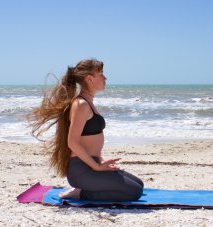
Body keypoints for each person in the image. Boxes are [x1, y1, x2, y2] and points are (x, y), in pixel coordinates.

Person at [29, 59, 144, 201]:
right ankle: (80, 193)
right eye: (101, 74)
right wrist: (96, 166)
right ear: (90, 79)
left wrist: (102, 161)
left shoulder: (88, 103)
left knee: (139, 184)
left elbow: (89, 142)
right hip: (82, 170)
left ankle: (84, 188)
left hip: (92, 164)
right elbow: (72, 142)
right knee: (134, 192)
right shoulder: (81, 104)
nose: (105, 78)